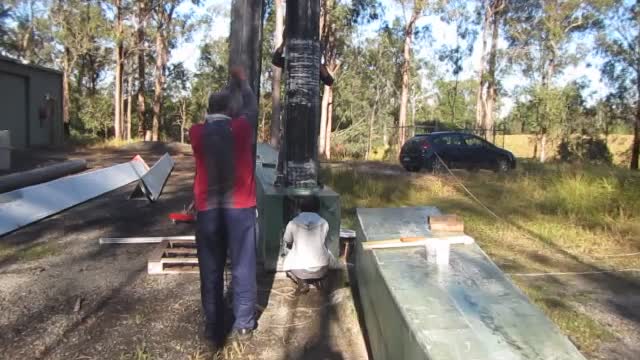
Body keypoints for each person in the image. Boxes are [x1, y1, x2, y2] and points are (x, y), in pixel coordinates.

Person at [189, 67, 258, 348]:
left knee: (211, 269)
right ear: (230, 109)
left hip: (208, 210)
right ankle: (243, 325)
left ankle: (213, 324)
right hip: (240, 209)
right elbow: (252, 107)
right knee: (243, 267)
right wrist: (243, 84)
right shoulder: (240, 128)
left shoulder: (196, 133)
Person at [282, 197, 341, 294]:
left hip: (299, 270)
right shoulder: (324, 223)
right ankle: (318, 280)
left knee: (287, 262)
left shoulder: (293, 223)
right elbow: (324, 241)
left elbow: (287, 240)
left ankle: (302, 282)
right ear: (318, 208)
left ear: (300, 208)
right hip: (321, 268)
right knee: (326, 254)